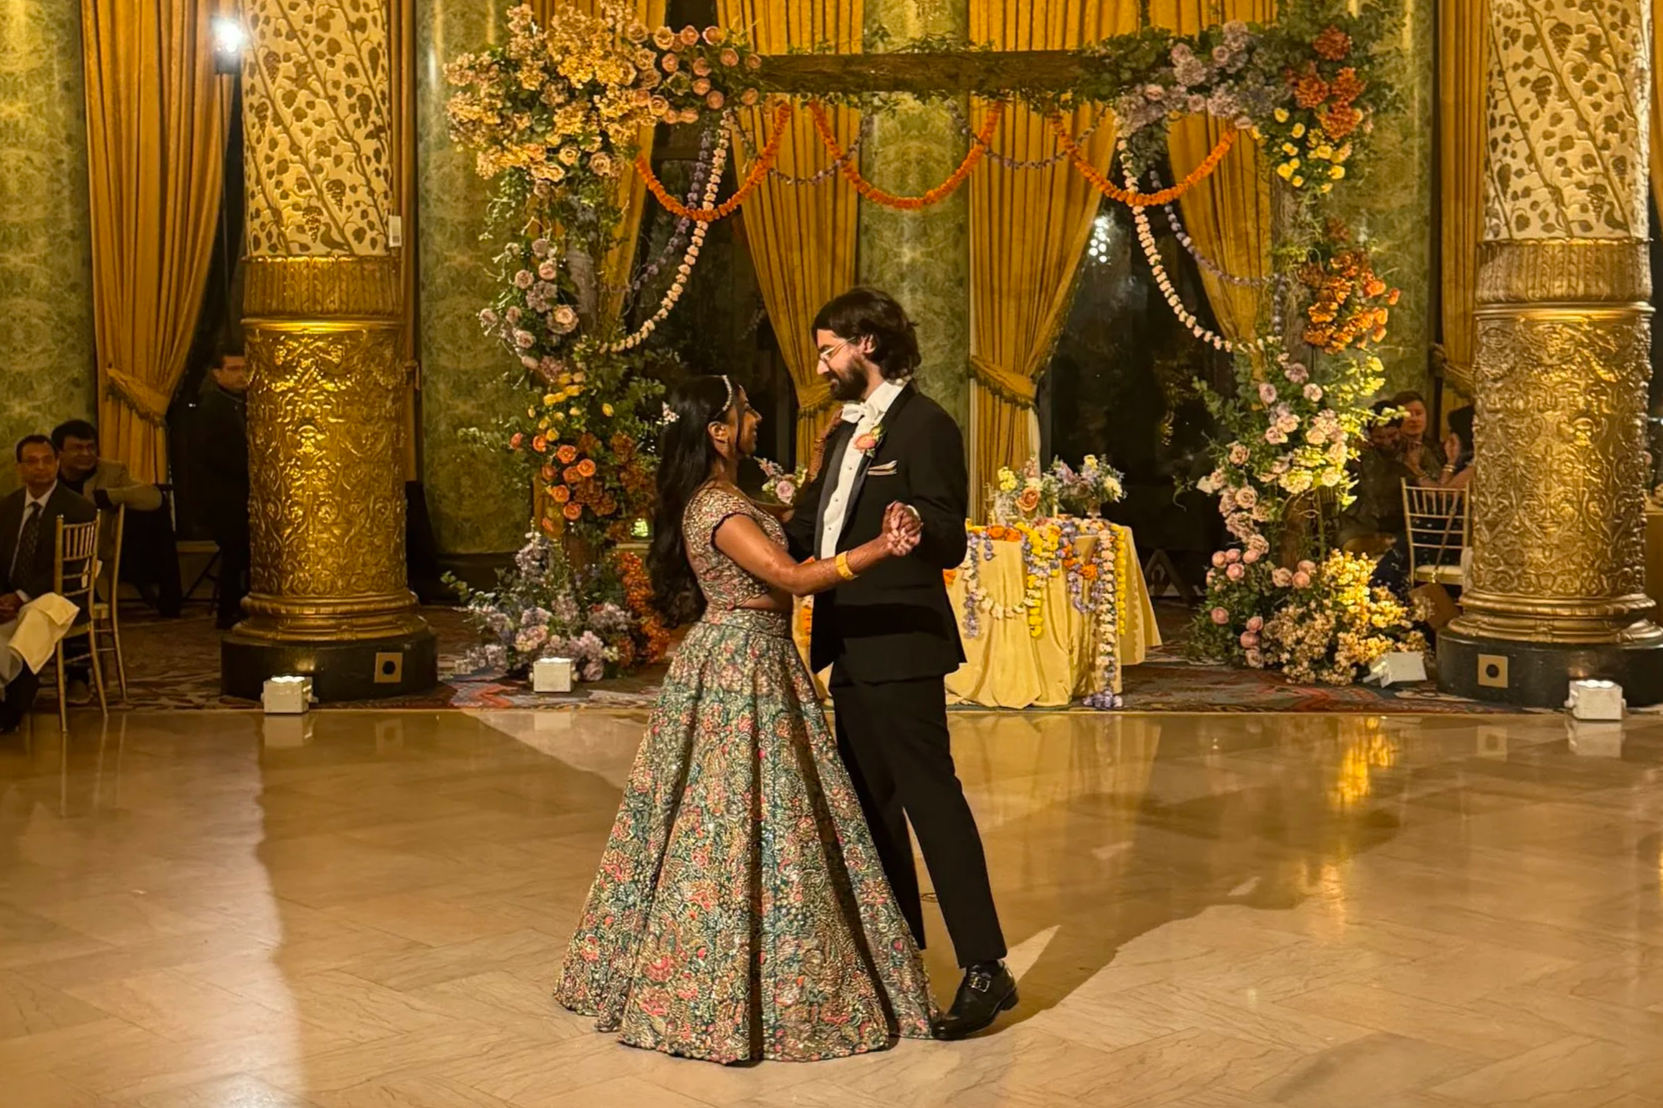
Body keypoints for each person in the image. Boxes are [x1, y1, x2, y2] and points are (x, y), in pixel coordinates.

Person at [555, 374, 936, 1063]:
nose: (756, 417)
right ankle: (717, 988)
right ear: (718, 431)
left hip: (759, 657)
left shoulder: (732, 496)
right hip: (738, 663)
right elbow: (789, 579)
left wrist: (821, 471)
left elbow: (787, 540)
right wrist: (880, 550)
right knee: (732, 823)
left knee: (769, 820)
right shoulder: (714, 509)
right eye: (744, 410)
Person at [784, 287, 1015, 1041]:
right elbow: (813, 529)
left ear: (867, 345)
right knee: (867, 807)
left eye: (828, 350)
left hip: (903, 644)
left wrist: (916, 520)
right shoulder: (842, 430)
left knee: (930, 801)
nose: (820, 364)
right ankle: (893, 956)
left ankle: (985, 967)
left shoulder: (927, 425)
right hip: (848, 641)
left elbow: (950, 532)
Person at [0, 436, 98, 731]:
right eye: (31, 461)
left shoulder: (79, 508)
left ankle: (15, 703)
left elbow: (69, 568)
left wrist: (20, 596)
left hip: (61, 595)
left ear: (56, 463)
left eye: (46, 460)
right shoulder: (7, 506)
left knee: (33, 615)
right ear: (19, 468)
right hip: (11, 596)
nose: (40, 467)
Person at [52, 419, 183, 617]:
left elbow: (154, 497)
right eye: (77, 448)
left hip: (97, 556)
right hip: (54, 556)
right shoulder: (47, 474)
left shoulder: (111, 471)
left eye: (91, 447)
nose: (86, 454)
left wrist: (109, 496)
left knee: (148, 520)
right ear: (58, 453)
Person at [196, 353, 250, 629]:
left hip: (243, 494)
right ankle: (228, 610)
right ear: (217, 373)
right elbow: (212, 454)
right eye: (234, 369)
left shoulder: (244, 403)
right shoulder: (211, 407)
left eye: (244, 368)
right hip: (223, 496)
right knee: (236, 550)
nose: (241, 374)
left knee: (246, 551)